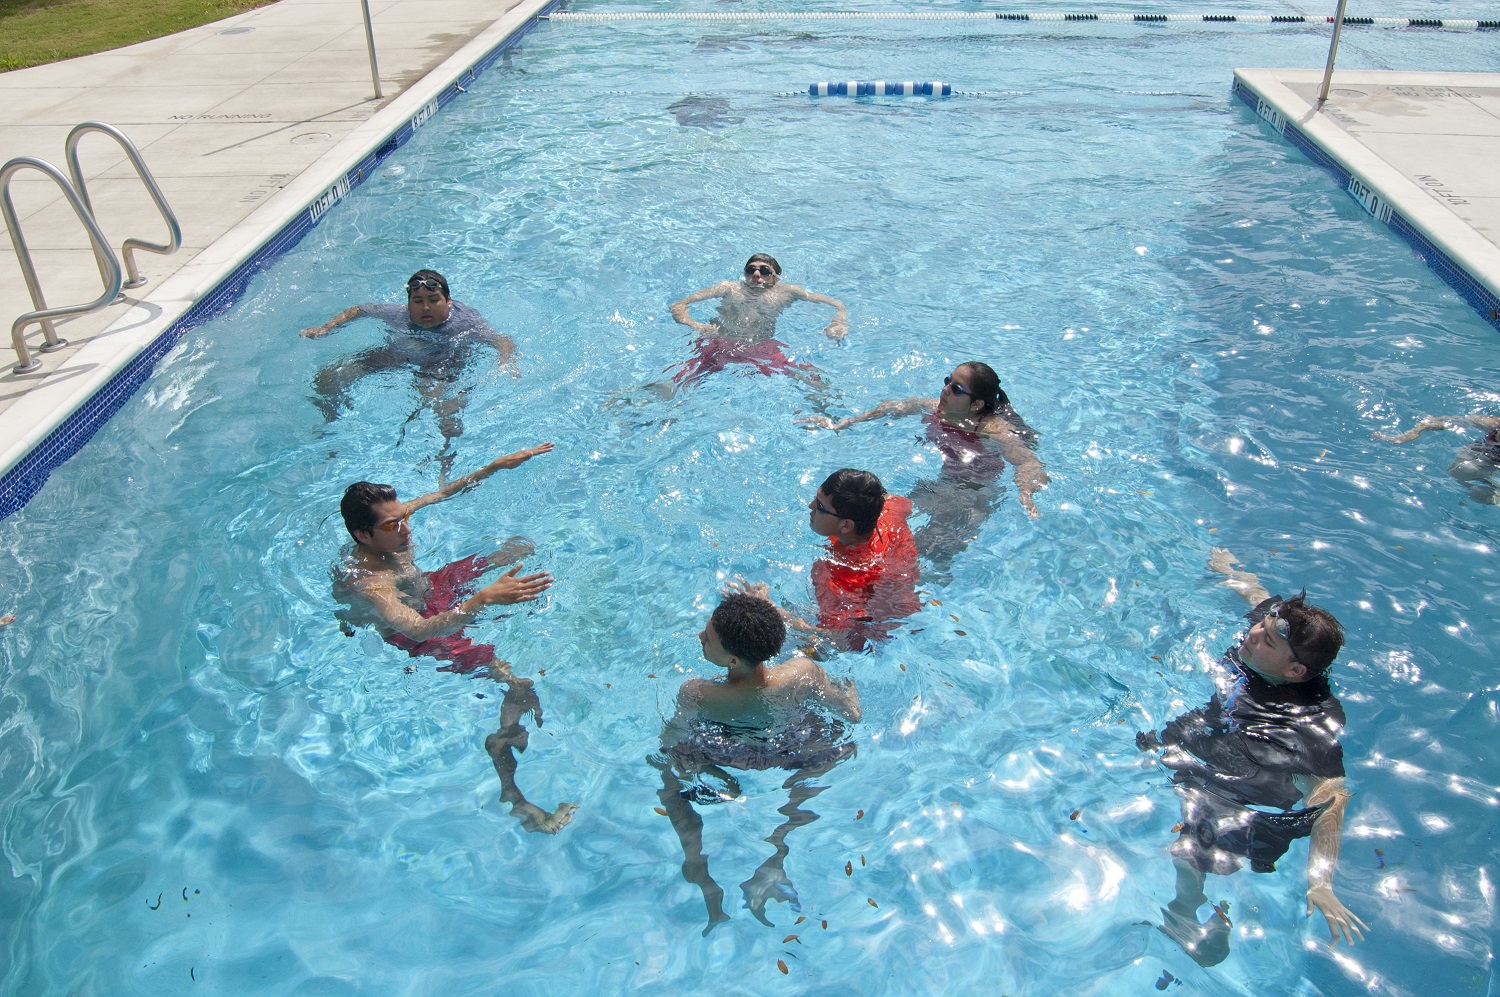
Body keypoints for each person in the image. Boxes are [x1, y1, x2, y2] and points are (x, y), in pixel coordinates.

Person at [1135, 548, 1367, 966]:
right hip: (1215, 732)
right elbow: (1256, 594)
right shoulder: (1268, 636)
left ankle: (1187, 910)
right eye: (1260, 625)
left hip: (1255, 773)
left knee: (1190, 848)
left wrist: (1321, 882)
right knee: (1147, 743)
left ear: (1296, 671)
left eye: (1268, 639)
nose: (1254, 633)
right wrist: (1227, 567)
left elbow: (1331, 795)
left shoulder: (1312, 719)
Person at [334, 442, 576, 834]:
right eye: (394, 526)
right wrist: (482, 600)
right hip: (417, 631)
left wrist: (494, 466)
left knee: (517, 550)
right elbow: (415, 629)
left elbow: (441, 494)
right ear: (363, 535)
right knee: (520, 686)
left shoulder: (389, 527)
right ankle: (513, 790)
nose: (406, 528)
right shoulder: (371, 584)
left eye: (404, 517)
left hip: (427, 589)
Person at [652, 593, 862, 935]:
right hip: (789, 748)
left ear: (733, 661)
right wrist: (851, 697)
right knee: (831, 749)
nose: (700, 638)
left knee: (667, 768)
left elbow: (671, 741)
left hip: (727, 752)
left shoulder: (698, 693)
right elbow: (850, 714)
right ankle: (778, 849)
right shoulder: (801, 673)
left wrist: (708, 769)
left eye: (708, 637)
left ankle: (695, 860)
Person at [301, 270, 517, 477]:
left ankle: (446, 461)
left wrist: (507, 362)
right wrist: (325, 328)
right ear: (408, 303)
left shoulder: (464, 321)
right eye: (418, 301)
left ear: (448, 301)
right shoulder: (397, 314)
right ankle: (332, 428)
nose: (425, 308)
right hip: (399, 355)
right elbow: (358, 310)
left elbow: (502, 340)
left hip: (443, 366)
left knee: (445, 411)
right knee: (329, 377)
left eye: (434, 300)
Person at [799, 362, 1049, 532]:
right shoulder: (936, 408)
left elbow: (1029, 462)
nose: (945, 390)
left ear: (976, 405)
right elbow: (892, 406)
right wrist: (843, 423)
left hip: (974, 493)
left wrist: (1025, 491)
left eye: (956, 389)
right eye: (948, 381)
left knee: (937, 551)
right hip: (942, 482)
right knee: (882, 525)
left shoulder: (993, 431)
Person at [732, 468, 920, 653]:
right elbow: (902, 501)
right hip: (900, 590)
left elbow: (836, 641)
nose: (810, 506)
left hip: (881, 631)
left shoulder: (841, 574)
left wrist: (772, 609)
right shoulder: (888, 512)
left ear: (846, 525)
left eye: (820, 507)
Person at [666, 254, 847, 388]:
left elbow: (837, 304)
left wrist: (839, 322)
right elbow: (679, 305)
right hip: (720, 342)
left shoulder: (788, 292)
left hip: (761, 348)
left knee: (815, 380)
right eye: (751, 270)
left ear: (776, 276)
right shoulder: (729, 288)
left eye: (765, 270)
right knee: (679, 380)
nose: (757, 274)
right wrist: (696, 325)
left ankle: (832, 415)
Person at [1374, 413, 1500, 502]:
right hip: (1484, 453)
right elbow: (1436, 421)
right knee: (1461, 471)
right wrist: (1411, 433)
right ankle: (1490, 497)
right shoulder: (1494, 423)